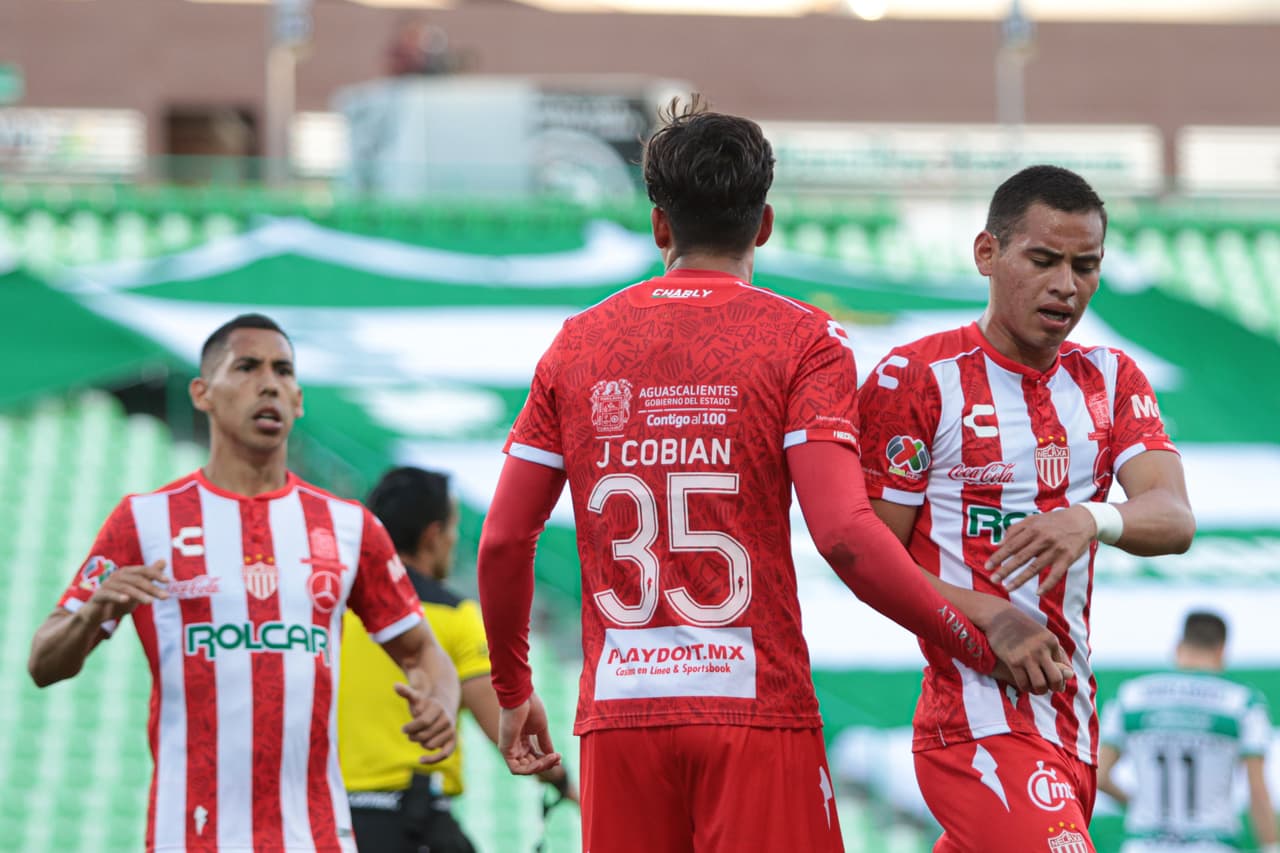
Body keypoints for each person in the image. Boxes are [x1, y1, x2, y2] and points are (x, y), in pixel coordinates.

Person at [475, 96, 1073, 853]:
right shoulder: (806, 340)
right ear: (763, 224)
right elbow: (846, 538)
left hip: (621, 714)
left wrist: (512, 691)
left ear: (661, 225)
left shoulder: (577, 344)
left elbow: (502, 540)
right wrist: (975, 628)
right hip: (755, 709)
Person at [856, 164, 1198, 853]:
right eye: (1043, 259)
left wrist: (1092, 516)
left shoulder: (1109, 377)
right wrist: (991, 615)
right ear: (988, 253)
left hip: (1069, 715)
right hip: (976, 715)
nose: (1067, 285)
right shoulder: (917, 378)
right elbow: (870, 557)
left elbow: (1174, 516)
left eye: (1086, 265)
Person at [27, 313, 460, 853]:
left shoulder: (348, 527)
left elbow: (422, 653)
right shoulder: (144, 521)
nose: (270, 383)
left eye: (283, 371)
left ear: (298, 399)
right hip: (190, 834)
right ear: (202, 393)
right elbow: (43, 664)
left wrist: (441, 700)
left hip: (317, 836)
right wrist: (93, 612)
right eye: (248, 367)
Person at [338, 466, 577, 852]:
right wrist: (562, 782)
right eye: (453, 529)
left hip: (329, 826)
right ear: (433, 536)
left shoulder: (332, 609)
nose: (453, 540)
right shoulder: (454, 616)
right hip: (410, 824)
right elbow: (507, 729)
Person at [1098, 611, 1279, 853]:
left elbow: (1099, 776)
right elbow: (1257, 791)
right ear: (1221, 650)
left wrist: (1139, 805)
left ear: (1178, 646)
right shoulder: (1242, 702)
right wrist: (1270, 846)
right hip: (1213, 844)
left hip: (1143, 843)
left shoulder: (1130, 696)